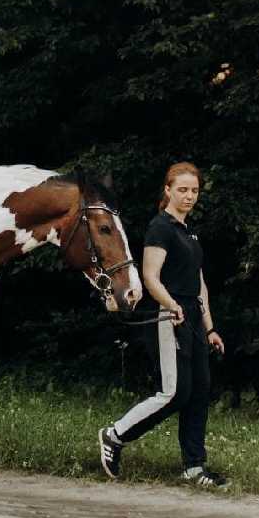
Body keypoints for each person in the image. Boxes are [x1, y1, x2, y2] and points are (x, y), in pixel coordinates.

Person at [98, 162, 229, 488]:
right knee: (174, 392)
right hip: (167, 315)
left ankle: (194, 467)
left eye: (194, 190)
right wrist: (171, 305)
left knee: (199, 391)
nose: (189, 196)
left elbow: (200, 285)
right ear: (168, 190)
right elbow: (150, 277)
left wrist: (210, 327)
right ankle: (115, 435)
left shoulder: (189, 232)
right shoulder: (161, 228)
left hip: (194, 317)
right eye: (182, 189)